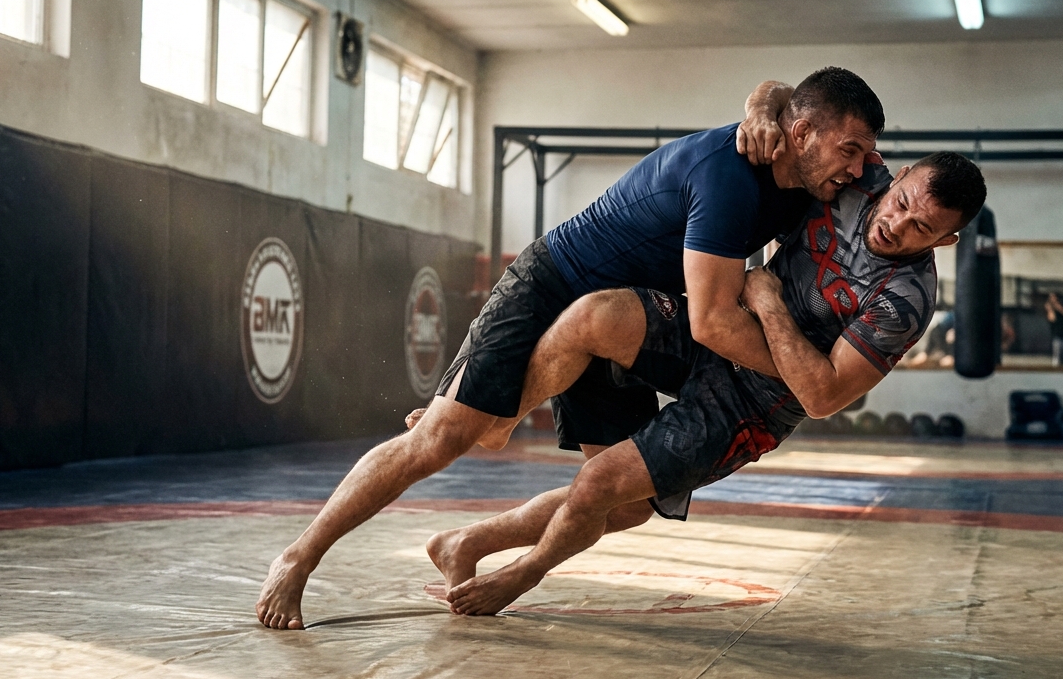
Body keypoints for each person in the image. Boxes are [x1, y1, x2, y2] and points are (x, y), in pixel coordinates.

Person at [256, 67, 886, 630]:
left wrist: (767, 94)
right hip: (553, 284)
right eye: (849, 151)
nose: (856, 168)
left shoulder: (808, 170)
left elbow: (797, 100)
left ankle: (466, 540)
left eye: (865, 155)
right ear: (800, 134)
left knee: (630, 502)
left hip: (618, 314)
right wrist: (813, 380)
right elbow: (713, 323)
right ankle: (299, 555)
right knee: (440, 440)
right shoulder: (730, 181)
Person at [438, 150, 987, 615]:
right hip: (720, 333)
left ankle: (521, 573)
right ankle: (499, 419)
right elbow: (793, 115)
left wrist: (769, 301)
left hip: (755, 403)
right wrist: (761, 105)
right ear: (900, 175)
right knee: (597, 314)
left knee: (606, 488)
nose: (896, 223)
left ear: (946, 241)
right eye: (902, 202)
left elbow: (823, 396)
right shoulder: (861, 173)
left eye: (922, 227)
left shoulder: (904, 302)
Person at [1045, 292, 1063, 366]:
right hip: (1058, 337)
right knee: (1057, 359)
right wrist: (1050, 309)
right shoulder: (1050, 310)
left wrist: (1058, 307)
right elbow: (1052, 319)